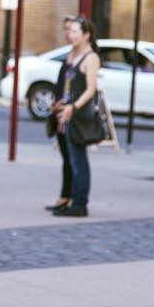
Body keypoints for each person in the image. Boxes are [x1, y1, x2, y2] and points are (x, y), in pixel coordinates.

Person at [54, 15, 101, 217]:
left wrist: (73, 106)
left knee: (79, 160)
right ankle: (72, 200)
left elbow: (91, 89)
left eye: (75, 31)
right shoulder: (76, 55)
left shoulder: (91, 58)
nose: (70, 35)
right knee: (72, 159)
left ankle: (80, 204)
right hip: (68, 113)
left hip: (79, 116)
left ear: (86, 35)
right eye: (70, 31)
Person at [45, 15, 76, 213]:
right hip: (60, 113)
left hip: (70, 114)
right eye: (65, 29)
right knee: (67, 157)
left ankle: (71, 198)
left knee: (73, 158)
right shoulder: (69, 56)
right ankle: (65, 196)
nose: (68, 33)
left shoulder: (81, 58)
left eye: (72, 29)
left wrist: (63, 104)